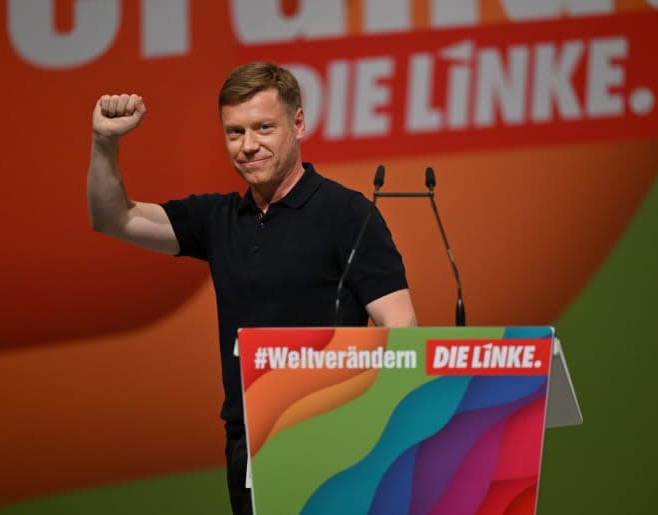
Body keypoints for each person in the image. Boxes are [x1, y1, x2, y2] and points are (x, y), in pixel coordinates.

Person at [87, 61, 417, 514]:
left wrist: (376, 439)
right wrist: (104, 142)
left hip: (338, 439)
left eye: (264, 127)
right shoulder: (219, 219)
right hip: (249, 443)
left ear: (298, 124)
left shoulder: (348, 214)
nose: (248, 146)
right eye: (235, 132)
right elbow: (113, 218)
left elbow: (400, 326)